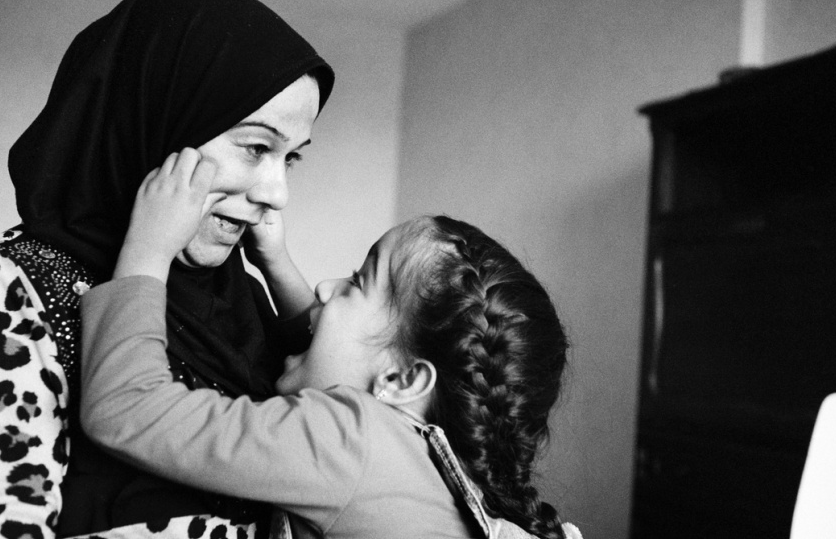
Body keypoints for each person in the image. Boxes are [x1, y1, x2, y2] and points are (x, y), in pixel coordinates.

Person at [0, 0, 334, 537]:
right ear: (156, 121)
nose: (277, 193)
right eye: (257, 147)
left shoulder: (249, 310)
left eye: (292, 158)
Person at [77, 157, 583, 538]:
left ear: (405, 381)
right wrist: (275, 260)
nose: (324, 288)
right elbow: (339, 358)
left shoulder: (349, 440)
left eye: (358, 282)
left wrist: (149, 247)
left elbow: (127, 411)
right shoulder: (421, 450)